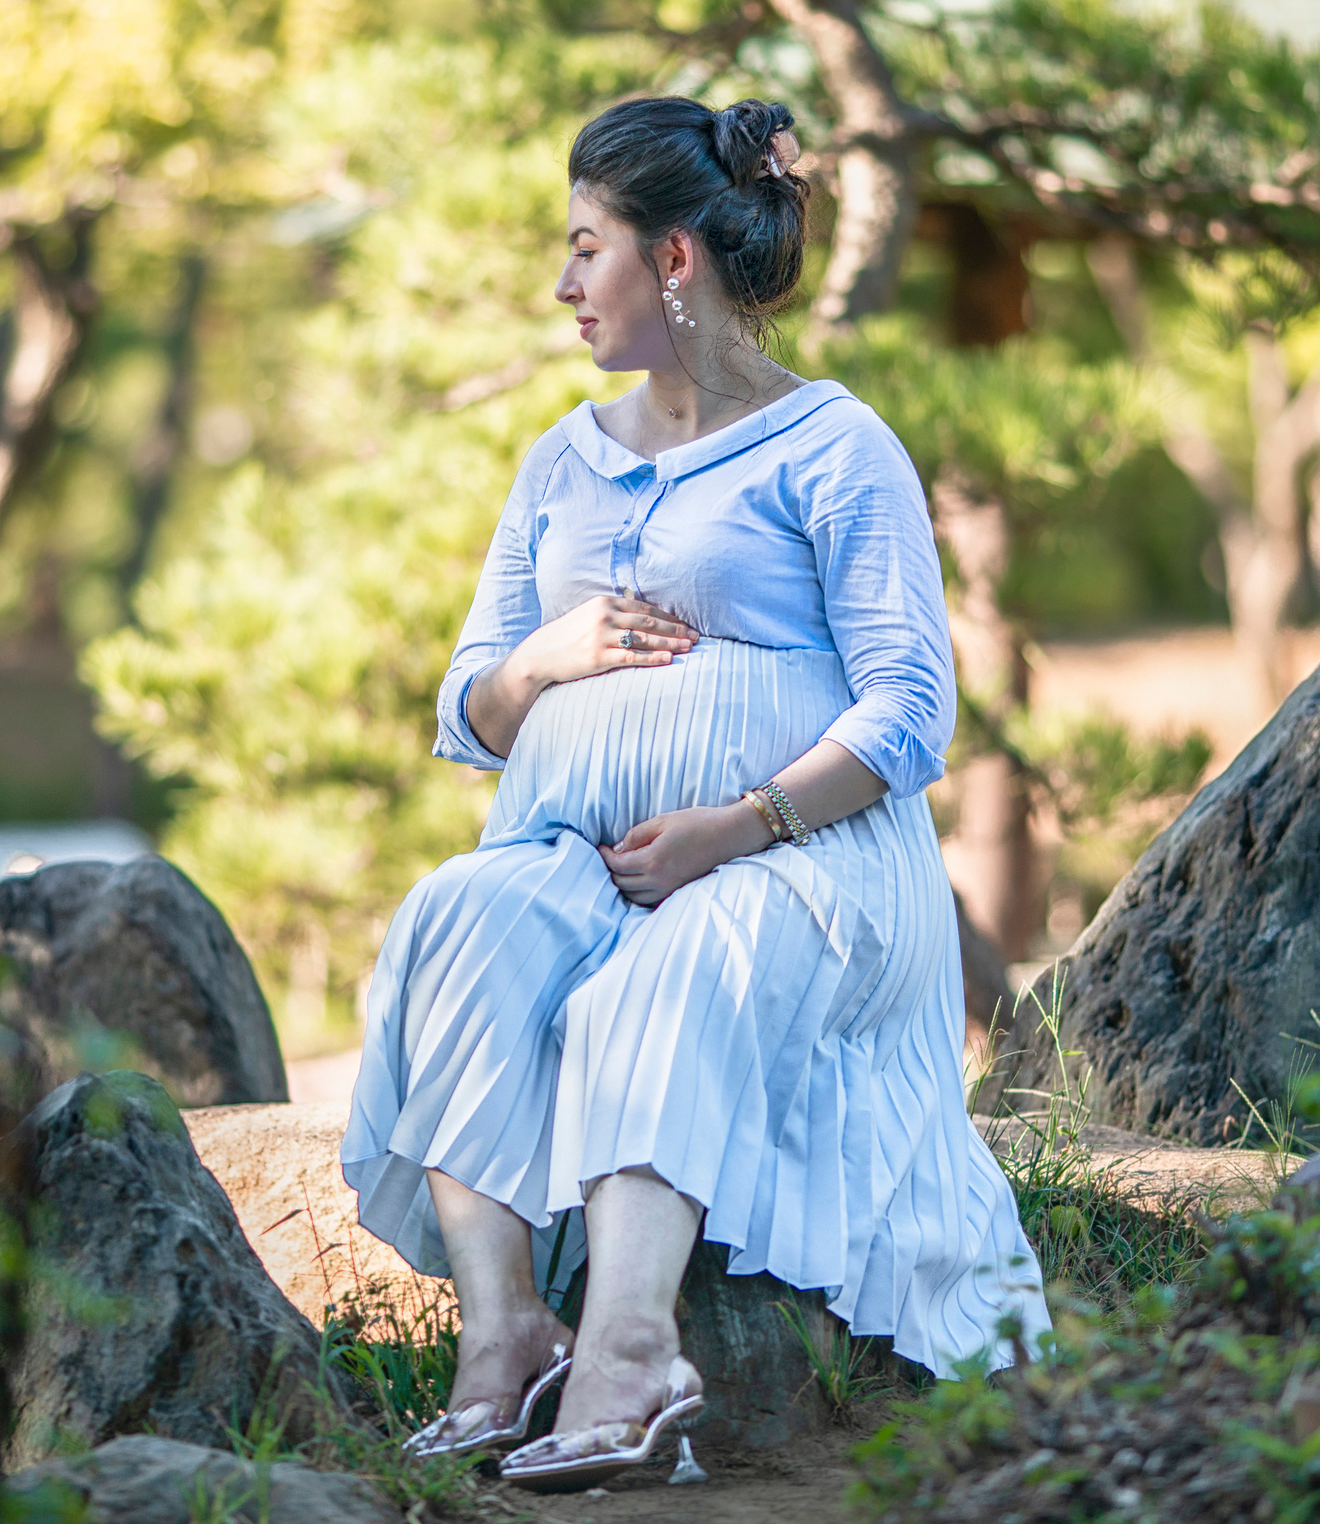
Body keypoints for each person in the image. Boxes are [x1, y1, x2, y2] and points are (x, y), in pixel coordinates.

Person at [341, 94, 1049, 1493]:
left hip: (809, 862)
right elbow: (469, 705)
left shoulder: (837, 450)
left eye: (585, 248)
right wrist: (543, 658)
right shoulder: (563, 457)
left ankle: (627, 1359)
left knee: (673, 970)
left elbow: (911, 708)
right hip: (577, 855)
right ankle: (505, 1343)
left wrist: (741, 824)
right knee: (455, 919)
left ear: (675, 262)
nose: (561, 286)